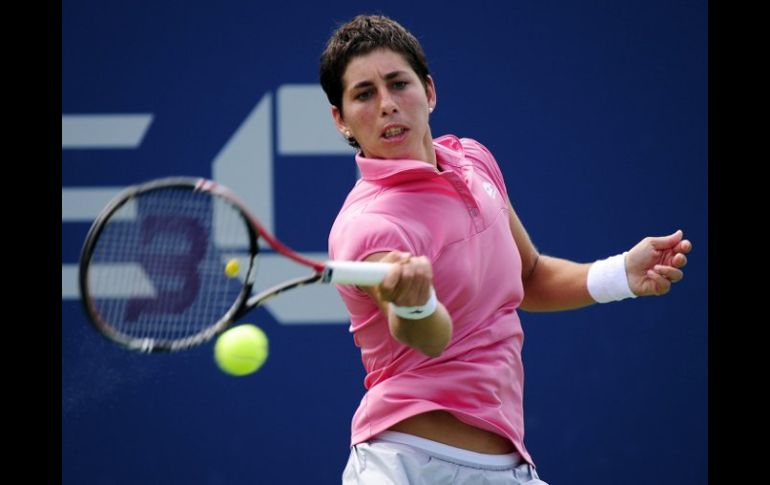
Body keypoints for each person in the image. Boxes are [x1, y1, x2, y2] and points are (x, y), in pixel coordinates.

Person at [319, 14, 691, 485]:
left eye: (398, 84)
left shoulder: (473, 160)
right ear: (341, 120)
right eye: (364, 94)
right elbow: (429, 339)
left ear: (429, 92)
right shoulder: (368, 227)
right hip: (403, 466)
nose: (388, 105)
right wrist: (414, 304)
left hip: (507, 466)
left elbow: (529, 275)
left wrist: (621, 275)